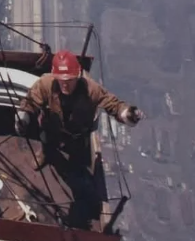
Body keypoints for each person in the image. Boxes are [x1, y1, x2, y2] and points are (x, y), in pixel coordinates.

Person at [15, 49, 143, 168]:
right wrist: (23, 117)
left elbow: (113, 104)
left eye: (69, 79)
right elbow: (30, 101)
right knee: (47, 142)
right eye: (61, 79)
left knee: (77, 152)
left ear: (77, 75)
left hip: (78, 132)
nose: (65, 84)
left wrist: (127, 113)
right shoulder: (45, 83)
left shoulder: (92, 90)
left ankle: (74, 166)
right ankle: (45, 155)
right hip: (51, 126)